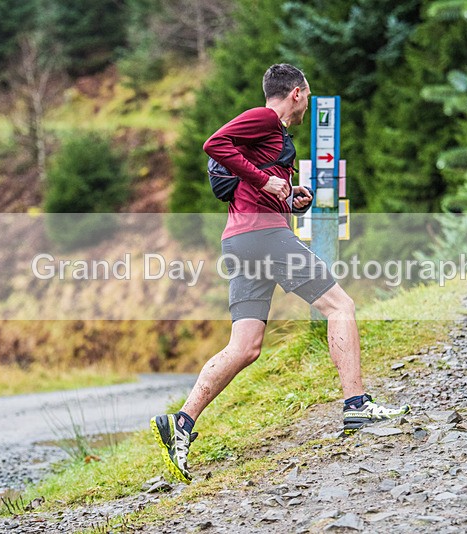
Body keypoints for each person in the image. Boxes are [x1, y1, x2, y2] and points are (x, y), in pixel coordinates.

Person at [151, 64, 409, 484]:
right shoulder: (265, 118)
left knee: (245, 346)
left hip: (242, 239)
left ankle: (180, 423)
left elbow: (258, 186)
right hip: (263, 237)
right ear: (297, 93)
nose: (306, 102)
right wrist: (266, 181)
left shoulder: (270, 137)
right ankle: (357, 406)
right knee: (340, 305)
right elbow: (213, 143)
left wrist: (291, 197)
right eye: (306, 95)